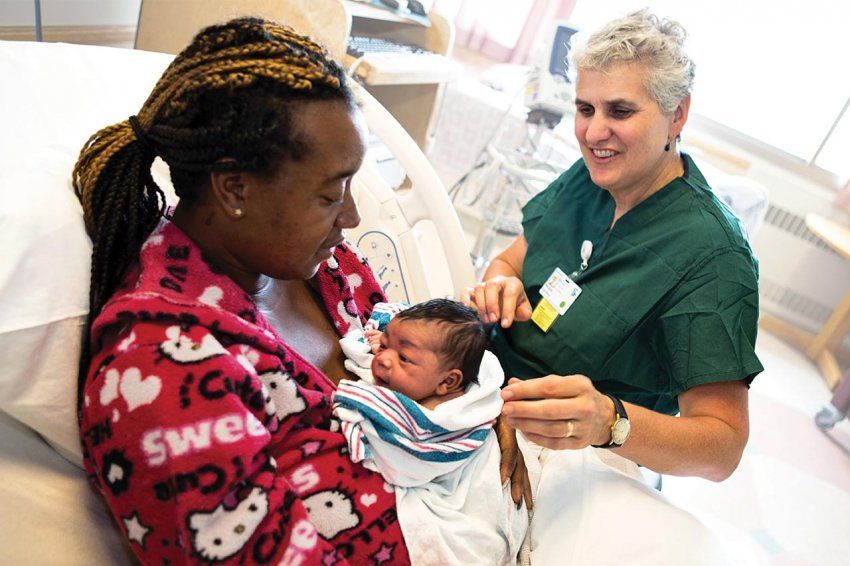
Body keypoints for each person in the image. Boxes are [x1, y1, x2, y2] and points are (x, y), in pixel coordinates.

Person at [73, 18, 411, 564]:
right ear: (235, 188)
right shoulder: (163, 371)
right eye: (331, 195)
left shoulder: (326, 268)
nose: (351, 216)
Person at [462, 10, 763, 564]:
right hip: (482, 397)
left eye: (620, 110)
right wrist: (499, 284)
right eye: (585, 108)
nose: (594, 132)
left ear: (678, 114)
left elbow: (722, 448)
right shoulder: (592, 175)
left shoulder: (713, 257)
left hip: (574, 453)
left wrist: (609, 419)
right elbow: (509, 258)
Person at [332, 299, 528, 565]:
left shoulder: (446, 416)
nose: (382, 359)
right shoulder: (424, 373)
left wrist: (360, 412)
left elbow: (406, 463)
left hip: (476, 484)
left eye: (403, 358)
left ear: (448, 381)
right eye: (385, 345)